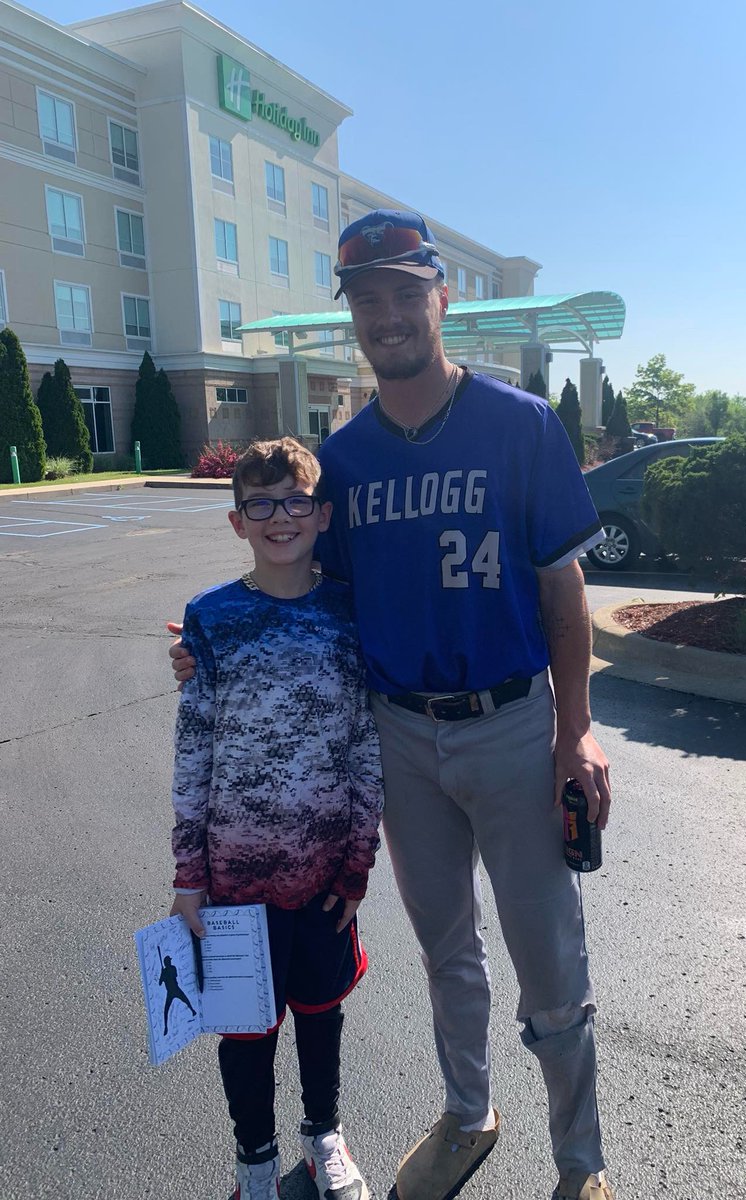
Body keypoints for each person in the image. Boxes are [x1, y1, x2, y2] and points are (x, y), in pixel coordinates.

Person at [171, 210, 614, 1200]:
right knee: (446, 949)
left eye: (405, 294)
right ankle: (469, 1115)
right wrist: (215, 651)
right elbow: (304, 596)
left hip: (509, 725)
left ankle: (581, 1168)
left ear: (440, 299)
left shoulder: (521, 424)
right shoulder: (347, 459)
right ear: (354, 317)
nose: (387, 315)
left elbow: (561, 588)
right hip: (399, 736)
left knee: (551, 959)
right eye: (366, 300)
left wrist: (575, 730)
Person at [169, 437, 383, 1200]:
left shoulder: (350, 613)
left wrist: (358, 865)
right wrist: (188, 879)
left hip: (324, 876)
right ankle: (254, 1161)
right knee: (247, 1032)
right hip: (234, 880)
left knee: (320, 1017)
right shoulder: (211, 619)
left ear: (322, 514)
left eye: (295, 502)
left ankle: (324, 1136)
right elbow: (193, 752)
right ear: (237, 523)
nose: (279, 518)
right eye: (259, 505)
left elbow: (365, 745)